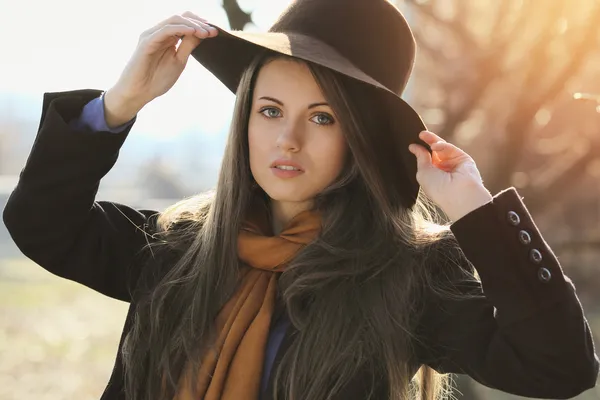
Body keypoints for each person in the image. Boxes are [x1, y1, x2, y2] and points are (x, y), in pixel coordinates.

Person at [3, 1, 598, 399]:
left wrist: (476, 212)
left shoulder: (408, 274)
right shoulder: (179, 246)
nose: (287, 139)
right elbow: (41, 222)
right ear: (245, 122)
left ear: (359, 137)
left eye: (322, 117)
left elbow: (559, 367)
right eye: (269, 111)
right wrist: (118, 104)